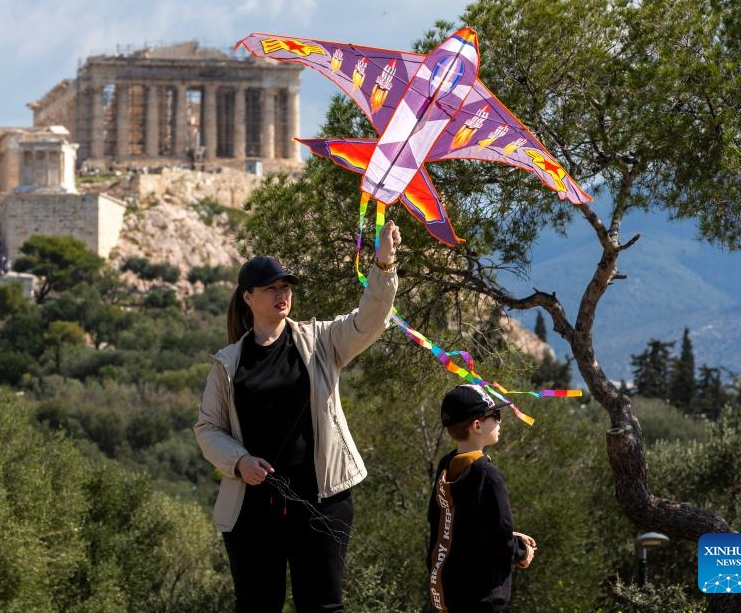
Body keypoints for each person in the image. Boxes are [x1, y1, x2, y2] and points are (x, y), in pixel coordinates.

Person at [194, 221, 401, 613]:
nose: (282, 293)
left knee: (323, 606)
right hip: (252, 506)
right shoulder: (227, 364)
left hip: (322, 499)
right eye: (271, 287)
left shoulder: (321, 340)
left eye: (285, 286)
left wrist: (384, 266)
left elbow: (368, 320)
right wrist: (239, 461)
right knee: (256, 606)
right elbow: (207, 429)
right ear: (248, 297)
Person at [426, 384, 536, 612]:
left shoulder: (447, 466)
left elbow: (450, 522)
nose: (500, 421)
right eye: (495, 415)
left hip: (450, 592)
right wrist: (522, 552)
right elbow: (497, 535)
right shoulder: (488, 475)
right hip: (482, 598)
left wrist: (511, 536)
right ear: (477, 425)